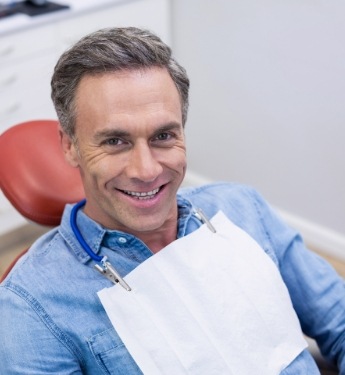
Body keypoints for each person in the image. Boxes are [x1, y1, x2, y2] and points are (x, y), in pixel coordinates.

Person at [0, 26, 344, 374]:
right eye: (115, 141)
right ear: (70, 145)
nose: (147, 170)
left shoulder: (241, 208)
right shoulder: (31, 306)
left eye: (163, 136)